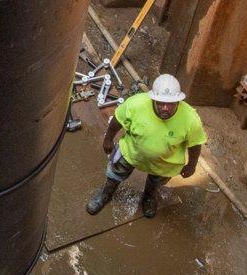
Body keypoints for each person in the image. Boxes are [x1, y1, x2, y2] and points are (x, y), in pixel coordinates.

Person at [87, 73, 204, 218]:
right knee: (115, 173)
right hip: (131, 152)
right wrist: (108, 139)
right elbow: (118, 119)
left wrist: (192, 165)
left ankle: (148, 198)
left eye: (171, 103)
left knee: (156, 182)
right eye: (161, 103)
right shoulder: (135, 104)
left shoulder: (191, 119)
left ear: (178, 101)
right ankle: (105, 194)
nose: (165, 108)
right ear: (153, 99)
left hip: (164, 163)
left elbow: (195, 144)